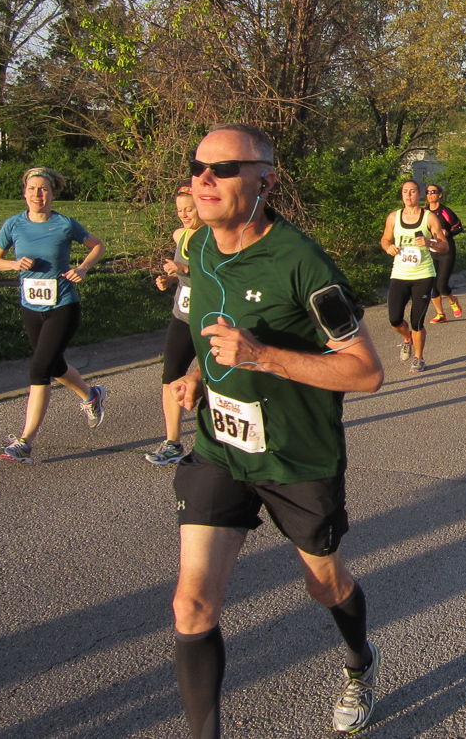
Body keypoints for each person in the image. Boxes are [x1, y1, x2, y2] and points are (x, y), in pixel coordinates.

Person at [169, 123, 385, 738]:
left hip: (297, 456)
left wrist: (261, 357)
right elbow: (215, 322)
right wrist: (199, 373)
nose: (203, 179)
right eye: (197, 167)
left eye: (223, 169)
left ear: (265, 180)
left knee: (324, 585)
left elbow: (366, 372)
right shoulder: (199, 246)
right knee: (191, 605)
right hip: (220, 447)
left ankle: (359, 662)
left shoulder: (304, 264)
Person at [0, 167, 106, 463]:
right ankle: (91, 395)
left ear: (52, 194)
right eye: (32, 189)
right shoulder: (14, 224)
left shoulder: (64, 224)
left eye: (43, 189)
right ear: (24, 193)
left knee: (39, 369)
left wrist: (83, 268)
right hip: (31, 307)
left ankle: (25, 442)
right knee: (54, 366)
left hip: (62, 306)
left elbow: (97, 245)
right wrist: (14, 265)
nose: (37, 194)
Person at [147, 182, 203, 465]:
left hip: (207, 318)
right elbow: (185, 276)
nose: (183, 215)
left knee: (214, 377)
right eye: (179, 210)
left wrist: (184, 268)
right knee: (171, 374)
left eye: (189, 209)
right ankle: (173, 443)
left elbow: (218, 273)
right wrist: (171, 279)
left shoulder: (212, 236)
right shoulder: (181, 235)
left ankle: (220, 444)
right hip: (182, 315)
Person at [380, 180, 448, 373]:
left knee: (417, 320)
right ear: (402, 195)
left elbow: (444, 246)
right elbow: (385, 239)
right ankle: (407, 338)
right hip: (399, 274)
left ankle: (419, 358)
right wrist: (388, 247)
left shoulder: (429, 218)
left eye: (412, 192)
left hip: (423, 275)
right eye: (405, 192)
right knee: (394, 319)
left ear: (419, 194)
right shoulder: (394, 217)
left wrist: (429, 242)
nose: (408, 195)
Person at [424, 184, 465, 323]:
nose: (430, 194)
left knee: (441, 285)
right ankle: (440, 314)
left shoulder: (445, 212)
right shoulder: (424, 213)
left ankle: (453, 301)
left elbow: (458, 227)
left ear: (440, 195)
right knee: (431, 285)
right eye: (427, 192)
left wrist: (448, 233)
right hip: (430, 251)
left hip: (446, 251)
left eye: (433, 192)